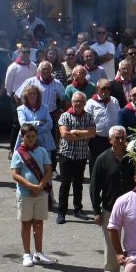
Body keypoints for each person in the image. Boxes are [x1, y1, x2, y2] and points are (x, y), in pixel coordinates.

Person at [88, 128, 133, 272]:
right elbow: (94, 186)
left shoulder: (132, 157)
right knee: (111, 245)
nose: (121, 141)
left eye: (123, 138)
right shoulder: (102, 159)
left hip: (131, 210)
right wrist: (96, 211)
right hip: (109, 209)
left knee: (133, 244)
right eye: (117, 138)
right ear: (110, 140)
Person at [8, 127, 55, 267]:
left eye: (33, 136)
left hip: (41, 193)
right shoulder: (18, 153)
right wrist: (31, 186)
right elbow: (15, 174)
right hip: (24, 194)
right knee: (26, 223)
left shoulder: (42, 151)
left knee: (39, 223)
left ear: (36, 137)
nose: (30, 139)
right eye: (27, 136)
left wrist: (40, 186)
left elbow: (48, 171)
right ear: (22, 137)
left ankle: (39, 253)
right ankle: (27, 254)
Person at [54, 92, 97, 223]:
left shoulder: (89, 117)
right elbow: (64, 135)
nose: (78, 103)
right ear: (72, 102)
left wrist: (74, 132)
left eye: (81, 101)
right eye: (76, 101)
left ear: (85, 103)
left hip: (82, 155)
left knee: (78, 184)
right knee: (65, 184)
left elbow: (93, 133)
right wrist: (84, 134)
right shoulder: (65, 116)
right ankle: (62, 211)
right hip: (66, 155)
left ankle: (78, 209)